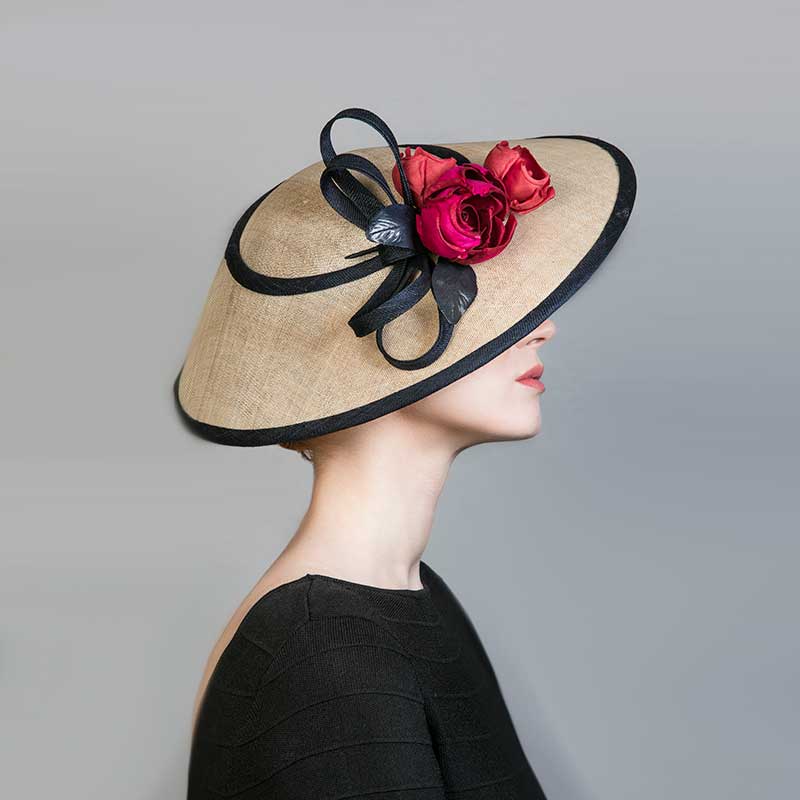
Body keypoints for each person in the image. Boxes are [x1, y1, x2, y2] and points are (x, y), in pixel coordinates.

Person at [175, 108, 636, 798]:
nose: (544, 330)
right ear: (376, 340)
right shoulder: (324, 649)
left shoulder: (407, 597)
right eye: (488, 306)